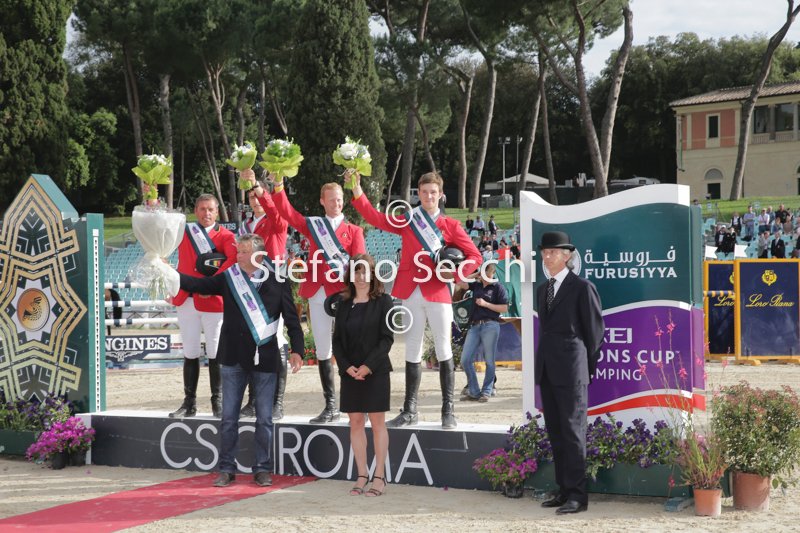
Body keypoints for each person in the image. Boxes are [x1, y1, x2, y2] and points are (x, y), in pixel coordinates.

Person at [163, 233, 304, 487]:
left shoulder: (278, 281)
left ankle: (262, 469)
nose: (238, 256)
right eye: (238, 251)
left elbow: (292, 320)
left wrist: (298, 350)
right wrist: (170, 272)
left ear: (259, 255)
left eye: (244, 252)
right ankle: (227, 469)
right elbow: (199, 285)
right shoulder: (230, 278)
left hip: (265, 358)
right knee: (228, 418)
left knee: (264, 419)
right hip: (232, 358)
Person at [351, 170, 481, 429]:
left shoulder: (451, 226)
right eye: (424, 192)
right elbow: (375, 218)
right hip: (410, 291)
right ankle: (410, 410)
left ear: (440, 195)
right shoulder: (408, 219)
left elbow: (475, 256)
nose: (429, 196)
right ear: (418, 194)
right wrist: (356, 190)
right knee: (412, 349)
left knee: (443, 348)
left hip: (438, 291)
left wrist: (456, 274)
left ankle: (448, 410)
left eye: (433, 192)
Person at [268, 174, 365, 424]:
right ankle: (331, 406)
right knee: (323, 349)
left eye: (339, 199)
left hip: (343, 295)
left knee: (351, 349)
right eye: (331, 200)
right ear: (322, 201)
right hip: (317, 292)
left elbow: (361, 266)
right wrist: (278, 185)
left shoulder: (354, 231)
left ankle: (357, 405)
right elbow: (288, 213)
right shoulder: (313, 226)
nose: (336, 203)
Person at [536, 231, 604, 515]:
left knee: (574, 433)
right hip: (548, 370)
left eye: (553, 252)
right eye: (544, 252)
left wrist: (584, 368)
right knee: (556, 432)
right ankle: (564, 489)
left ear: (567, 256)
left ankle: (577, 495)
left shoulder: (582, 287)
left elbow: (595, 333)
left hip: (572, 371)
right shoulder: (543, 289)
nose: (547, 256)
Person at [169, 194, 238, 419]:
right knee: (190, 352)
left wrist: (213, 283)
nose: (206, 213)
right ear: (195, 211)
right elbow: (163, 237)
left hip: (213, 301)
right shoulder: (184, 232)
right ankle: (189, 403)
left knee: (215, 352)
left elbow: (232, 261)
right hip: (186, 299)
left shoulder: (226, 236)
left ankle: (218, 401)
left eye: (210, 209)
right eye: (201, 209)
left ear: (217, 212)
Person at [332, 254, 394, 497]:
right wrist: (346, 366)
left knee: (378, 424)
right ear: (350, 275)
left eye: (364, 272)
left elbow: (387, 339)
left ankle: (379, 477)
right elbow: (337, 340)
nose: (360, 277)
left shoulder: (384, 301)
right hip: (350, 373)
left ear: (372, 275)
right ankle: (361, 475)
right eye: (356, 272)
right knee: (355, 423)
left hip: (376, 371)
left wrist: (368, 366)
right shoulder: (343, 303)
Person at [239, 170, 291, 420]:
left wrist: (259, 188)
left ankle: (277, 403)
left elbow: (273, 209)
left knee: (276, 339)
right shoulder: (245, 226)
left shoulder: (276, 219)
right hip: (250, 286)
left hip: (272, 284)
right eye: (251, 197)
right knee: (251, 341)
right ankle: (253, 401)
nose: (256, 200)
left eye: (259, 196)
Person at [455, 262, 508, 402]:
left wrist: (486, 304)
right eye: (483, 273)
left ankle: (487, 391)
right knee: (465, 360)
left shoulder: (498, 287)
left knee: (489, 360)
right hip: (474, 326)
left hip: (490, 324)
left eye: (487, 273)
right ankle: (474, 391)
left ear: (493, 273)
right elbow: (459, 282)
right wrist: (474, 275)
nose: (485, 276)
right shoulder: (476, 285)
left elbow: (504, 308)